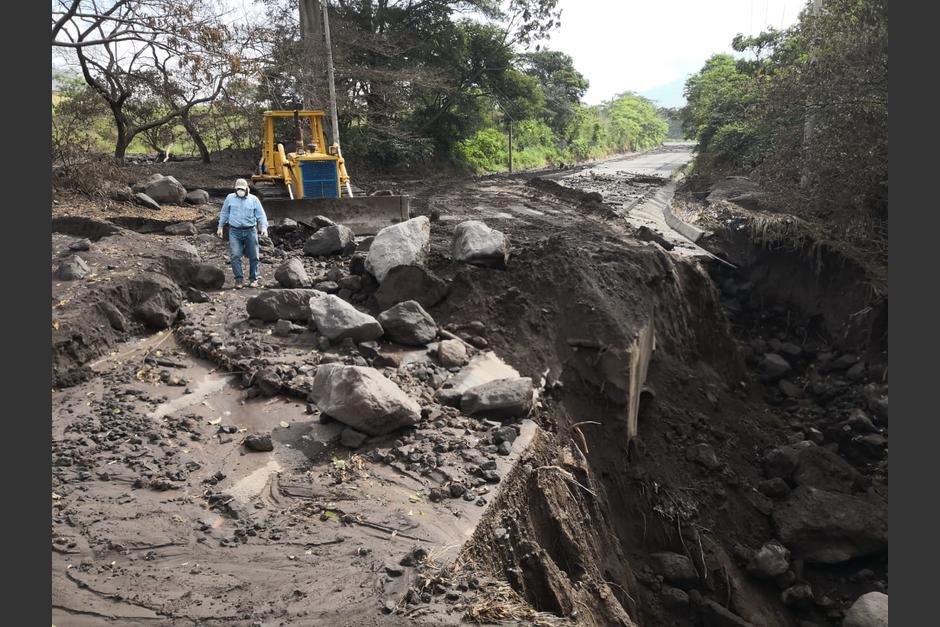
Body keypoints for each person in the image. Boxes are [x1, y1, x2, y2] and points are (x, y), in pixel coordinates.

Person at [217, 179, 269, 288]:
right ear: (235, 189)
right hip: (235, 231)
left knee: (254, 256)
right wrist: (220, 226)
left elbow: (261, 215)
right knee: (235, 255)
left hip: (250, 231)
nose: (240, 191)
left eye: (242, 189)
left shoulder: (253, 200)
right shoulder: (230, 198)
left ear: (247, 189)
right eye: (238, 189)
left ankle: (253, 279)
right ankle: (239, 280)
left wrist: (264, 227)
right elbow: (225, 213)